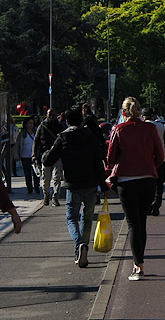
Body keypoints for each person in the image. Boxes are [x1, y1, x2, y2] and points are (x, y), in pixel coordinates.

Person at [43, 106, 110, 267]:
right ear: (81, 120)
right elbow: (98, 162)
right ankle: (84, 245)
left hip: (73, 184)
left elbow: (48, 160)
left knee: (71, 217)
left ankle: (78, 244)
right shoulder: (91, 137)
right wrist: (104, 185)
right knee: (87, 219)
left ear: (66, 121)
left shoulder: (62, 138)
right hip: (91, 184)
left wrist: (45, 153)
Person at [107, 97, 164, 281]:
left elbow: (111, 157)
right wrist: (150, 166)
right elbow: (160, 155)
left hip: (126, 179)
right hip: (147, 178)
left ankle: (138, 264)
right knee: (142, 221)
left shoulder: (119, 129)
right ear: (139, 111)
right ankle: (140, 261)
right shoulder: (150, 128)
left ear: (124, 112)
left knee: (132, 223)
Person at [142, 108, 165, 217]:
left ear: (143, 116)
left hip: (145, 160)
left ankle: (148, 205)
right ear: (153, 116)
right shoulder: (161, 127)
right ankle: (157, 202)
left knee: (147, 184)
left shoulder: (141, 127)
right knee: (159, 184)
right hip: (160, 159)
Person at [34, 109, 65, 206]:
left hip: (57, 155)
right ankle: (46, 195)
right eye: (49, 115)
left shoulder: (60, 127)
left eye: (53, 115)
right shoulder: (42, 126)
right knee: (46, 179)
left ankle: (55, 197)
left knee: (57, 178)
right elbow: (36, 140)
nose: (51, 117)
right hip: (46, 156)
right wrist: (34, 155)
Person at [13, 117, 40, 195]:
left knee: (36, 172)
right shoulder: (22, 134)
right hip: (25, 156)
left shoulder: (36, 132)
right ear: (26, 124)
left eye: (32, 123)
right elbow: (17, 145)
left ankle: (36, 186)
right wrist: (17, 156)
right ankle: (29, 187)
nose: (31, 125)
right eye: (29, 123)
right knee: (27, 173)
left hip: (34, 156)